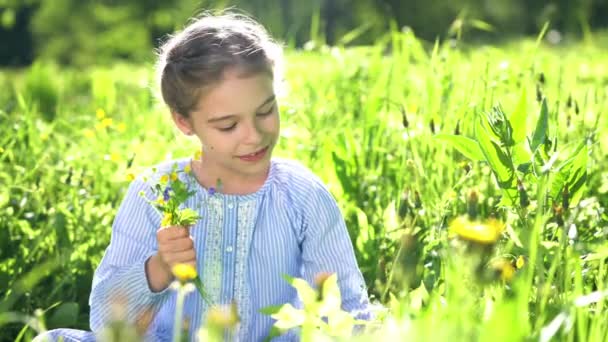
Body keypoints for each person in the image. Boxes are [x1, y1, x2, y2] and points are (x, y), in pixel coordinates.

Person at [35, 11, 371, 342]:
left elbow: (347, 308)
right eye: (228, 125)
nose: (253, 135)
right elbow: (107, 323)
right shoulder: (157, 192)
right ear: (184, 122)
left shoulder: (303, 195)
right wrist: (159, 269)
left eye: (266, 111)